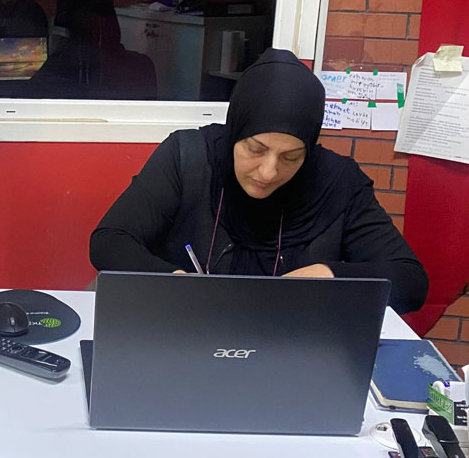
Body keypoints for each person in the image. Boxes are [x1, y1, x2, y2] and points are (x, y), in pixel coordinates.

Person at [90, 49, 428, 314]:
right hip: (185, 330)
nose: (268, 172)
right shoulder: (188, 157)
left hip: (294, 344)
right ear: (236, 130)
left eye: (291, 157)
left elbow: (411, 281)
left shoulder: (337, 182)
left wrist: (328, 275)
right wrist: (178, 285)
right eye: (255, 149)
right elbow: (109, 241)